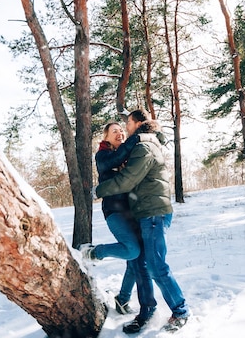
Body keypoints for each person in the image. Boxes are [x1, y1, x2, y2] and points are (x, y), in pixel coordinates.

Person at [95, 109, 190, 333]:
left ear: (137, 124)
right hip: (141, 214)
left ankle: (181, 310)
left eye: (126, 124)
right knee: (140, 264)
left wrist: (98, 190)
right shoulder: (136, 146)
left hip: (153, 212)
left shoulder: (144, 146)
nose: (124, 129)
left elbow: (127, 180)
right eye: (116, 129)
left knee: (156, 266)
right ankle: (146, 309)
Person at [82, 122, 157, 324]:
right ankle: (94, 252)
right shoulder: (103, 155)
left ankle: (122, 299)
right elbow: (115, 159)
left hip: (132, 211)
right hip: (114, 210)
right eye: (114, 131)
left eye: (121, 130)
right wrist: (136, 137)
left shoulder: (127, 155)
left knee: (136, 259)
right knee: (132, 250)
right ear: (105, 137)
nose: (120, 133)